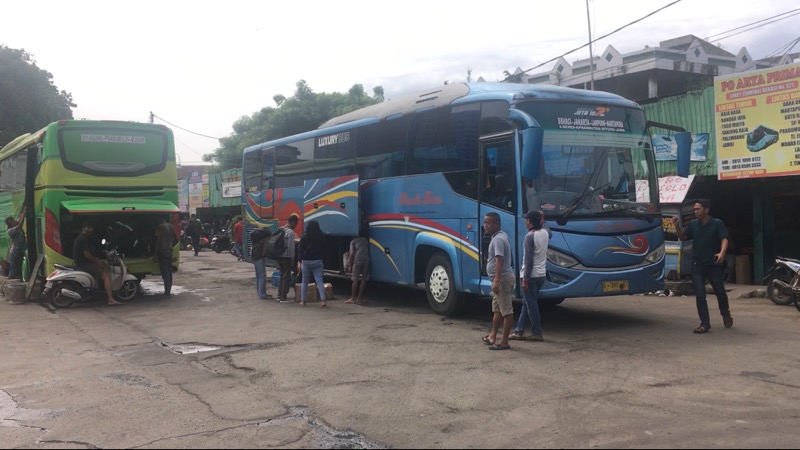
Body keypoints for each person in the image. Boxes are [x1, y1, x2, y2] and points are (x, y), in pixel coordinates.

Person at [672, 199, 733, 334]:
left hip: (713, 264)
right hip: (697, 265)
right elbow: (683, 237)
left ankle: (725, 313)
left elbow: (724, 238)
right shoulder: (693, 224)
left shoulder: (717, 223)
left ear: (706, 210)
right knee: (700, 295)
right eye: (694, 209)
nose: (695, 211)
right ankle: (705, 324)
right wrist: (676, 226)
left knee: (720, 293)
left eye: (698, 209)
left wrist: (722, 253)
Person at [509, 210, 549, 342]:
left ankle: (537, 332)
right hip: (541, 275)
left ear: (529, 222)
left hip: (530, 276)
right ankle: (519, 330)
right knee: (527, 303)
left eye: (526, 220)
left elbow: (528, 261)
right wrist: (543, 218)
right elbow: (548, 229)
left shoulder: (529, 237)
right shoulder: (545, 233)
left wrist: (525, 280)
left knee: (531, 305)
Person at [481, 212, 515, 350]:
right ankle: (492, 336)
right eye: (485, 222)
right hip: (498, 279)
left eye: (488, 223)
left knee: (506, 311)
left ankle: (504, 341)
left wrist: (496, 280)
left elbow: (499, 260)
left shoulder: (498, 240)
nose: (485, 226)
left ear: (497, 224)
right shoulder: (498, 237)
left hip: (502, 279)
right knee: (497, 310)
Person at [73, 220, 122, 305]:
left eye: (91, 228)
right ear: (84, 228)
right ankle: (110, 299)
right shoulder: (85, 239)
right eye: (89, 228)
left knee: (102, 266)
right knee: (106, 276)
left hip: (80, 262)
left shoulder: (80, 237)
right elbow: (87, 255)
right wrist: (97, 261)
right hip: (85, 264)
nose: (90, 230)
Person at [297, 220, 328, 308]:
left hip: (306, 261)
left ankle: (303, 301)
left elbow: (300, 250)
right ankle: (323, 301)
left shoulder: (304, 237)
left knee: (304, 281)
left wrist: (299, 261)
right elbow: (325, 249)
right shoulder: (321, 236)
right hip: (318, 261)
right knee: (319, 281)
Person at [276, 215, 299, 303]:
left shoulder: (281, 230)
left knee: (281, 276)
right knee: (286, 277)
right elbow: (290, 247)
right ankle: (283, 297)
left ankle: (279, 295)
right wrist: (292, 257)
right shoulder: (290, 232)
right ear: (293, 222)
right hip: (286, 257)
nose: (296, 225)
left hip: (279, 256)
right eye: (296, 223)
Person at [344, 231, 370, 305]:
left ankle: (352, 298)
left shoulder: (353, 242)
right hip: (366, 260)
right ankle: (360, 298)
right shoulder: (365, 240)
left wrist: (350, 265)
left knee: (355, 279)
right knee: (364, 279)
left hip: (357, 260)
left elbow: (352, 254)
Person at [154, 216, 176, 297]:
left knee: (165, 272)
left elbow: (158, 241)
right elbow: (176, 238)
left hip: (162, 251)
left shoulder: (159, 227)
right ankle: (168, 291)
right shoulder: (172, 226)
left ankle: (167, 292)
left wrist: (155, 255)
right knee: (169, 272)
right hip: (169, 251)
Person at [249, 225, 272, 300]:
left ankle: (260, 293)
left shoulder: (256, 240)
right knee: (262, 276)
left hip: (254, 256)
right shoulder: (264, 238)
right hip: (259, 257)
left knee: (258, 276)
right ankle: (262, 294)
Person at [5, 206, 27, 279]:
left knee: (19, 269)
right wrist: (24, 213)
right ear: (10, 223)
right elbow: (20, 225)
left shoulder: (16, 225)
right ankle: (9, 285)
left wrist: (22, 212)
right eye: (13, 220)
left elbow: (20, 221)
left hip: (20, 250)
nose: (15, 221)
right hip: (15, 252)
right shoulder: (10, 231)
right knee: (13, 271)